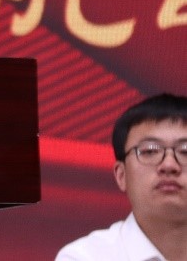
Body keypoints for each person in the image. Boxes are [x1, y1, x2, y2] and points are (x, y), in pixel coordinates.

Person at [56, 93, 187, 261]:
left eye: (185, 151)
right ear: (121, 175)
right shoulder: (84, 257)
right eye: (149, 151)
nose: (169, 165)